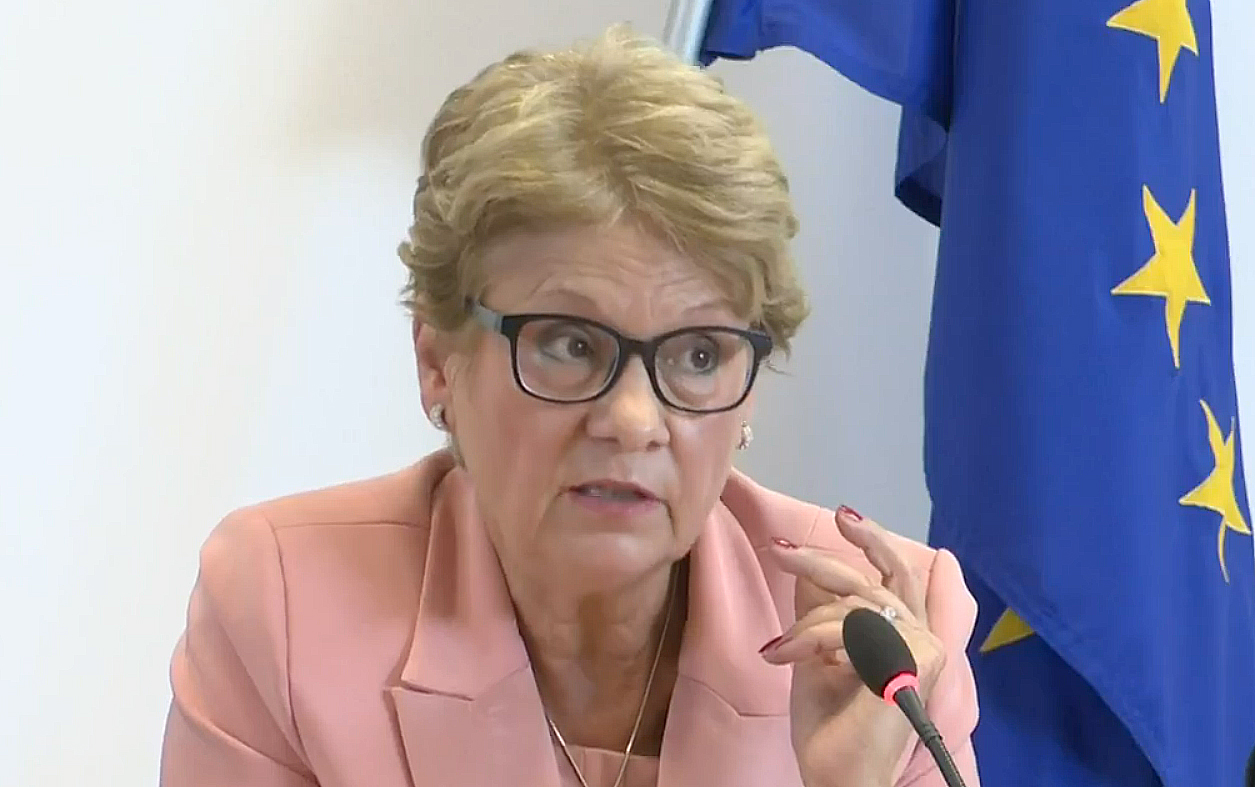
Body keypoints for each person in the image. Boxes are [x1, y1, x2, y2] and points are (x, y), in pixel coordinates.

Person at [159, 24, 980, 787]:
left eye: (698, 355)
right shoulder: (285, 605)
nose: (632, 421)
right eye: (569, 344)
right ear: (437, 361)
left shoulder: (888, 644)